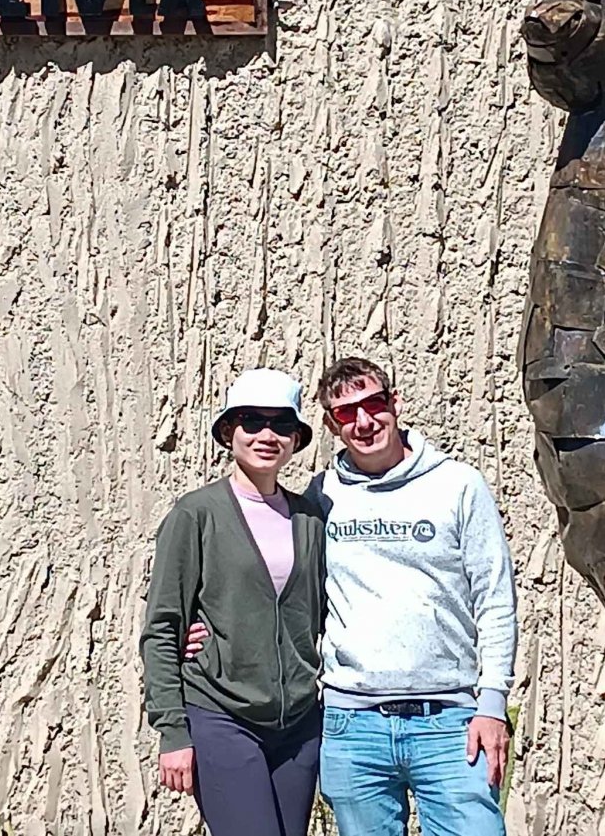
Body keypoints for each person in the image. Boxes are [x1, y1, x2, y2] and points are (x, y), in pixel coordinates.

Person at [189, 356, 518, 836]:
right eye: (346, 412)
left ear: (395, 403)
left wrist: (492, 704)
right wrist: (205, 635)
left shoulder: (458, 486)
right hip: (352, 724)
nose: (363, 421)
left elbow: (494, 598)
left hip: (450, 723)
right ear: (330, 424)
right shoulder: (322, 498)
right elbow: (283, 589)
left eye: (373, 404)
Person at [138, 368, 326, 836]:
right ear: (229, 432)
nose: (267, 435)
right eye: (252, 421)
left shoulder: (310, 518)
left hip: (299, 725)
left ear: (297, 438)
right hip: (221, 716)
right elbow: (163, 628)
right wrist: (173, 731)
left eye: (282, 424)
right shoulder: (196, 515)